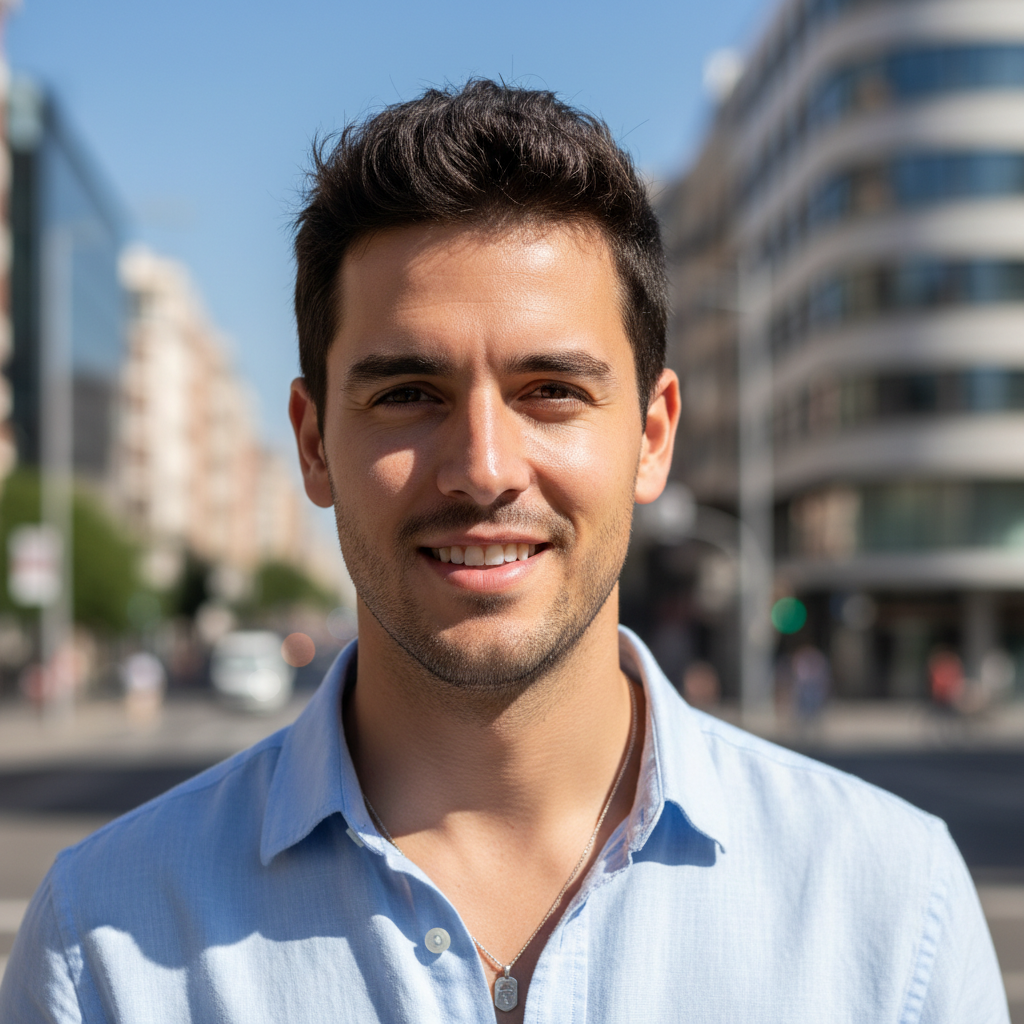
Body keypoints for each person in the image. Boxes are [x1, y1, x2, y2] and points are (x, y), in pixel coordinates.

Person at [0, 80, 1007, 1022]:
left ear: (652, 436)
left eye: (551, 392)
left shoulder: (888, 907)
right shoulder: (104, 946)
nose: (482, 470)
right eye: (407, 394)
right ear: (312, 444)